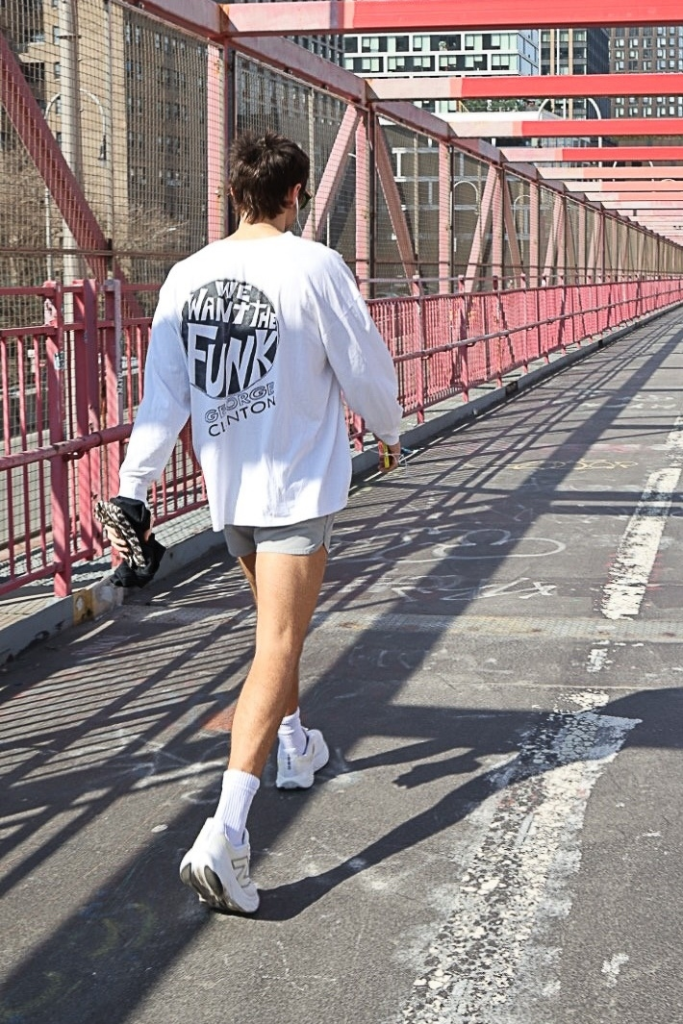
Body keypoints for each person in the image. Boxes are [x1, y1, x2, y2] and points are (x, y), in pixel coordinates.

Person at [101, 131, 403, 915]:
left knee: (277, 633)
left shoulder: (187, 276)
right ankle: (226, 834)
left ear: (234, 194)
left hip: (228, 490)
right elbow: (361, 361)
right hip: (298, 487)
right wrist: (389, 428)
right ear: (296, 194)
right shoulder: (314, 266)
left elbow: (163, 398)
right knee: (279, 640)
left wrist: (133, 489)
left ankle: (296, 747)